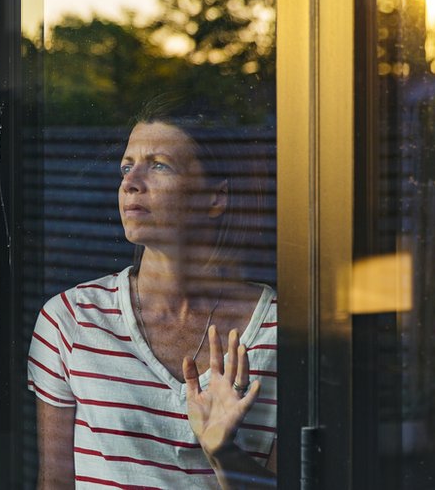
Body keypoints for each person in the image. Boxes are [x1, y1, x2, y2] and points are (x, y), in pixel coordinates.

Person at [27, 101, 277, 489]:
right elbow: (55, 482)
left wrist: (226, 454)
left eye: (159, 165)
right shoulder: (71, 320)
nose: (131, 182)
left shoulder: (281, 329)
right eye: (127, 166)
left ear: (216, 198)